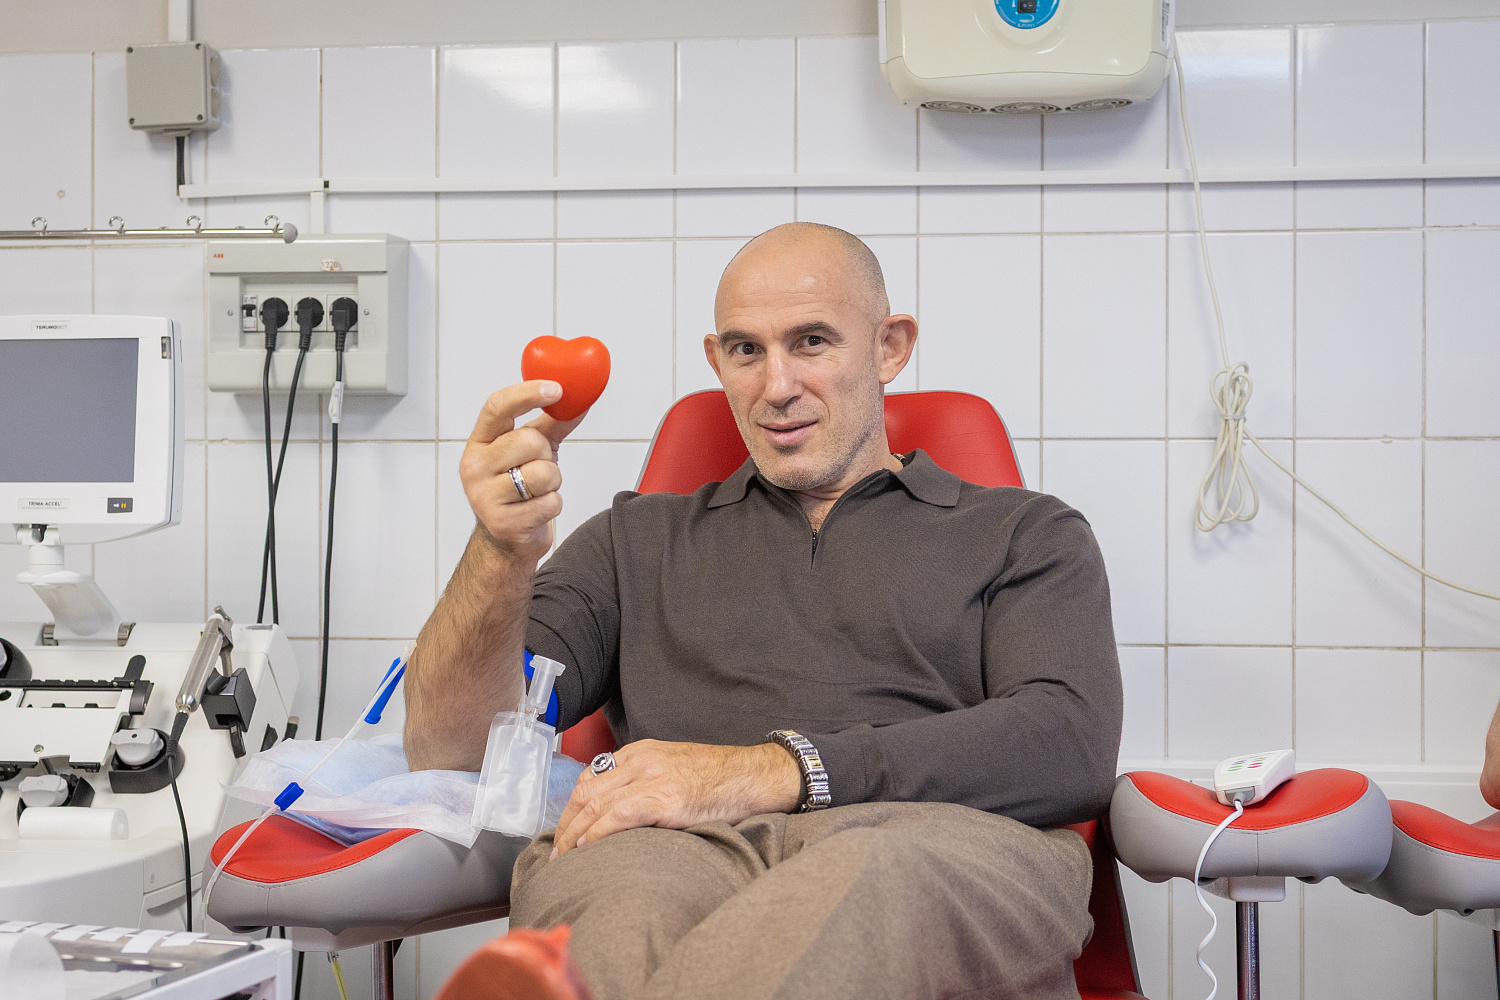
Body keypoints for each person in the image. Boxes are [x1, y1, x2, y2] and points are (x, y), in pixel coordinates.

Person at [404, 222, 1124, 1000]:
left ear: (890, 347)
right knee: (612, 912)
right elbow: (451, 747)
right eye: (747, 350)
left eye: (811, 342)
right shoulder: (632, 542)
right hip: (669, 846)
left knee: (867, 883)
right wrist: (501, 552)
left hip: (933, 838)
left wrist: (770, 771)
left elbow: (1067, 744)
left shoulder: (1024, 533)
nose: (776, 386)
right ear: (718, 362)